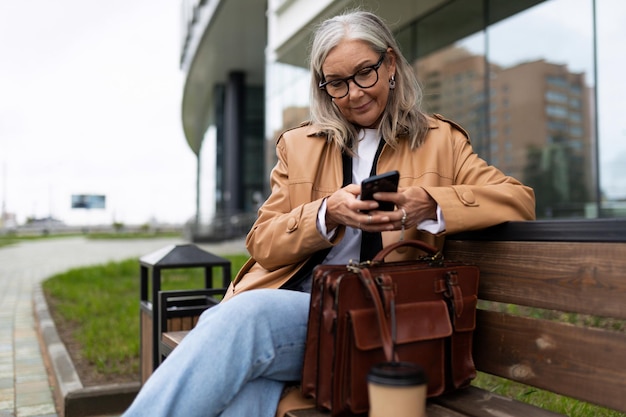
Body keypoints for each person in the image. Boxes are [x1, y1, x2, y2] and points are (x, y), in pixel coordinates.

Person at [122, 9, 535, 417]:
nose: (354, 93)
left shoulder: (440, 140)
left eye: (364, 74)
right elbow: (262, 243)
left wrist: (431, 205)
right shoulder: (300, 145)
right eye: (337, 83)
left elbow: (518, 199)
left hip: (378, 319)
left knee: (241, 323)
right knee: (242, 387)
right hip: (300, 309)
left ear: (390, 63)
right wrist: (325, 213)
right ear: (323, 86)